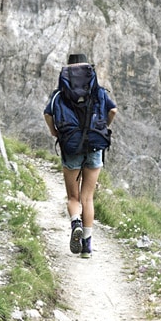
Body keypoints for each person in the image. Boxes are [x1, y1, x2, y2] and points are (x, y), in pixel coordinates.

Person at [43, 53, 117, 258]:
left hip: (71, 147)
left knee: (74, 197)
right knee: (88, 197)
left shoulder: (60, 94)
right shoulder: (98, 92)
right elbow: (113, 111)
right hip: (94, 146)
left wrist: (54, 131)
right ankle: (87, 246)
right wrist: (102, 128)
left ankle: (75, 221)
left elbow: (47, 114)